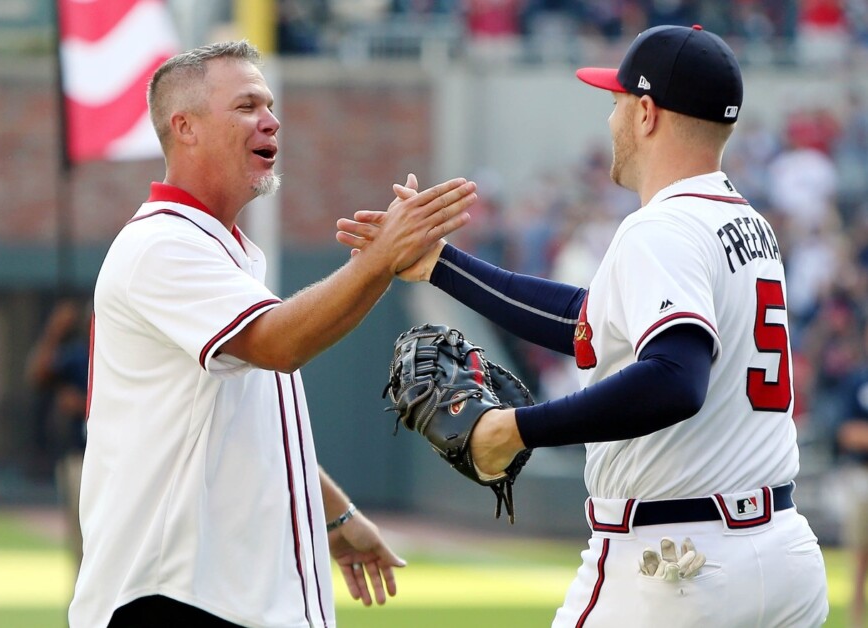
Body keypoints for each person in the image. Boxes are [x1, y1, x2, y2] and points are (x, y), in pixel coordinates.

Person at [337, 24, 829, 626]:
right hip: (781, 556)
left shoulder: (662, 229)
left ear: (646, 112)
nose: (611, 120)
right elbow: (586, 321)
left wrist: (515, 429)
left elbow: (676, 378)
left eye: (616, 102)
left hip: (677, 564)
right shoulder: (745, 223)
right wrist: (441, 264)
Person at [68, 40, 477, 628]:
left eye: (269, 103)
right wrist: (380, 259)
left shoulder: (219, 250)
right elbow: (278, 345)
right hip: (172, 597)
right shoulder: (162, 244)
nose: (271, 119)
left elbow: (242, 426)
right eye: (246, 106)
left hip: (215, 598)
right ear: (185, 127)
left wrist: (332, 514)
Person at [26, 298, 90, 574]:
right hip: (81, 457)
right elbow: (37, 374)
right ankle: (85, 611)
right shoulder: (79, 355)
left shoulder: (132, 355)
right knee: (82, 543)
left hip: (124, 461)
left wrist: (84, 403)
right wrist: (54, 330)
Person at [834, 321, 868, 628]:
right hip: (861, 476)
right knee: (859, 556)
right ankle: (856, 621)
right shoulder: (858, 379)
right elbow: (846, 432)